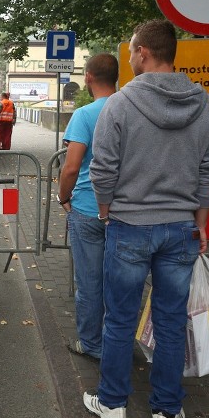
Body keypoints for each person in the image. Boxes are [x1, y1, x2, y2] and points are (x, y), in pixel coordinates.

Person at [85, 20, 209, 418]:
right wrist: (200, 222)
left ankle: (112, 404)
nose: (129, 59)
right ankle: (166, 413)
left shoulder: (120, 104)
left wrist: (108, 209)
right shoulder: (206, 105)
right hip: (180, 228)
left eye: (131, 52)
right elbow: (208, 171)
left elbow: (103, 168)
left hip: (128, 225)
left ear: (144, 52)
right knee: (169, 322)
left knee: (120, 320)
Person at [56, 54, 119, 360]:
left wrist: (62, 197)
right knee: (119, 281)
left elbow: (71, 168)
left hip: (86, 207)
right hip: (124, 211)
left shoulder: (84, 115)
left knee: (90, 282)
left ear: (89, 77)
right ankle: (118, 341)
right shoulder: (130, 110)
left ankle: (91, 344)